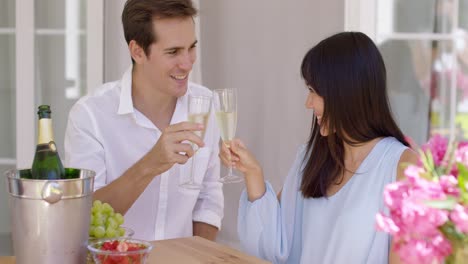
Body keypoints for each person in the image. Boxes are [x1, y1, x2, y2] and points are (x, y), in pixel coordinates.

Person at [220, 32, 419, 263]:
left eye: (314, 91)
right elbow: (270, 248)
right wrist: (252, 173)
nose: (308, 103)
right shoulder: (310, 158)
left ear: (346, 93)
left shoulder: (401, 168)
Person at [64, 0, 223, 241]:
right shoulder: (90, 116)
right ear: (137, 51)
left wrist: (200, 256)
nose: (188, 63)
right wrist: (150, 164)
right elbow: (83, 215)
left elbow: (208, 199)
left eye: (191, 47)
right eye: (173, 52)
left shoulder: (206, 104)